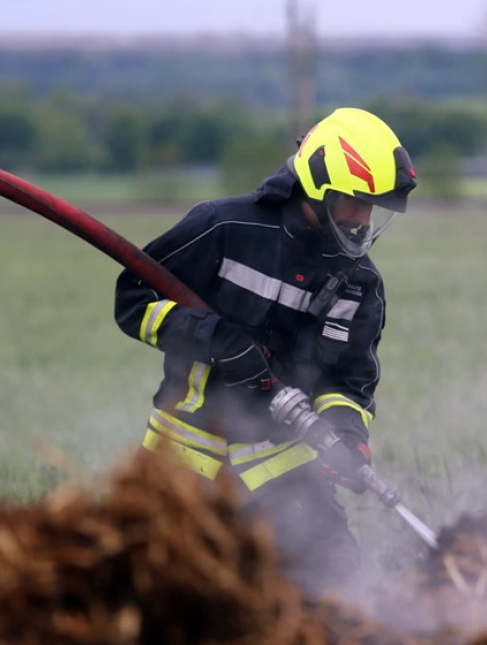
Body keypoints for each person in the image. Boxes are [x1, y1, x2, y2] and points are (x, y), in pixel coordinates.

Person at [114, 107, 416, 594]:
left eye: (372, 207)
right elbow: (134, 301)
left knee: (334, 578)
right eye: (355, 203)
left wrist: (345, 432)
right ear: (319, 187)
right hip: (184, 452)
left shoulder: (359, 285)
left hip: (281, 455)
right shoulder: (223, 229)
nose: (363, 220)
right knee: (157, 590)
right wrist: (215, 339)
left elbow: (349, 382)